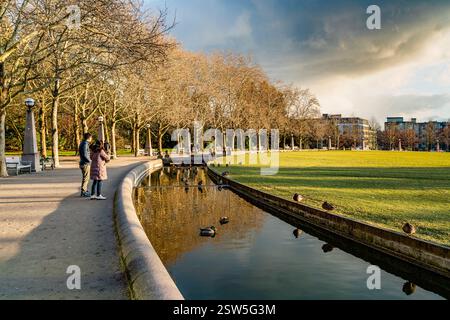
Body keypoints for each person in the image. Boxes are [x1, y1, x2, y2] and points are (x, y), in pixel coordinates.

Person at [79, 133, 93, 197]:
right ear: (89, 138)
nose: (91, 139)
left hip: (83, 162)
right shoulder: (85, 144)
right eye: (91, 137)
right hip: (85, 163)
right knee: (86, 178)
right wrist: (89, 161)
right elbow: (85, 154)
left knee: (85, 177)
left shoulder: (83, 143)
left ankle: (84, 190)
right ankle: (84, 192)